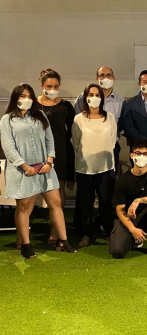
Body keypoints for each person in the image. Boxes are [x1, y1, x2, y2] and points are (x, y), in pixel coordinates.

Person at [0, 84, 77, 258]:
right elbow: (8, 147)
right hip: (22, 170)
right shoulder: (7, 120)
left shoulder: (40, 115)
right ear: (15, 98)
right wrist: (25, 167)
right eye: (22, 96)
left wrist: (49, 161)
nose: (26, 99)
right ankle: (26, 244)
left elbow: (50, 140)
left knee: (55, 202)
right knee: (24, 207)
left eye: (29, 96)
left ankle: (63, 240)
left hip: (44, 167)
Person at [109, 139, 147, 259]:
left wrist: (138, 200)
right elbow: (120, 209)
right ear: (131, 155)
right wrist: (132, 229)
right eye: (138, 153)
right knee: (117, 251)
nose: (142, 157)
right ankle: (134, 238)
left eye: (145, 153)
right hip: (131, 217)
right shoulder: (122, 181)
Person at [72, 83, 117, 247]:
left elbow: (113, 141)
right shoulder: (78, 119)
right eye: (91, 95)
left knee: (106, 202)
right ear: (85, 98)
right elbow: (76, 143)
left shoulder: (109, 117)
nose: (94, 98)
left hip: (106, 167)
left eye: (98, 95)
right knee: (85, 203)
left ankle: (109, 232)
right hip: (85, 168)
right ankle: (86, 234)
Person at [36, 69, 76, 244]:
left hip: (61, 152)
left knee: (58, 191)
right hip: (37, 153)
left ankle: (55, 229)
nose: (52, 89)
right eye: (49, 86)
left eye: (56, 86)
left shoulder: (66, 106)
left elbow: (73, 131)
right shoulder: (33, 105)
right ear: (42, 86)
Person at [74, 66, 125, 167]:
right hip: (87, 147)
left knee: (108, 175)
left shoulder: (121, 102)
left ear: (113, 78)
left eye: (108, 75)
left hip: (110, 147)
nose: (105, 78)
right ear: (97, 78)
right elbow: (76, 123)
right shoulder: (83, 98)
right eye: (102, 75)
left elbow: (121, 125)